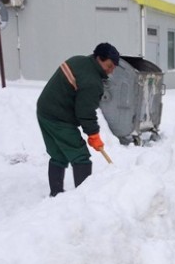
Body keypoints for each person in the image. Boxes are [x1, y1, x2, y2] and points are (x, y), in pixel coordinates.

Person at [36, 42, 120, 197]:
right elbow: (85, 111)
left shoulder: (79, 60)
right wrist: (93, 134)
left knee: (58, 154)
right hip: (58, 116)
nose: (111, 70)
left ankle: (55, 194)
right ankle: (83, 199)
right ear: (99, 59)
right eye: (109, 65)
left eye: (114, 67)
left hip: (44, 110)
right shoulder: (92, 81)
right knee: (81, 156)